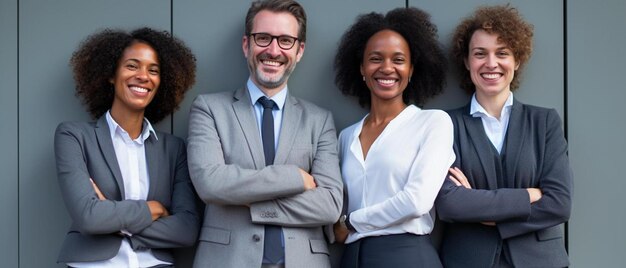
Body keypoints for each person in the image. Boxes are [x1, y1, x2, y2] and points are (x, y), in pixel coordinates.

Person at [186, 0, 343, 267]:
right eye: (263, 38)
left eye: (285, 41)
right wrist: (294, 177)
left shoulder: (320, 120)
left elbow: (328, 204)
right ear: (246, 44)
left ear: (299, 50)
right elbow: (210, 182)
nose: (273, 50)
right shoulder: (209, 109)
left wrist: (254, 205)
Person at [436, 5, 573, 268]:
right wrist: (528, 196)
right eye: (480, 54)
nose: (491, 63)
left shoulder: (544, 122)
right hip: (468, 260)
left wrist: (485, 212)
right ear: (466, 61)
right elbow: (450, 203)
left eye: (502, 53)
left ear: (517, 60)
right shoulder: (445, 124)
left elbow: (560, 203)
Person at [54, 27, 200, 267]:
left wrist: (114, 221)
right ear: (111, 74)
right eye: (132, 66)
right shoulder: (74, 136)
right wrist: (152, 209)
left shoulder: (174, 149)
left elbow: (186, 230)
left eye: (153, 70)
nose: (143, 76)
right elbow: (89, 218)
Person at [332, 7, 454, 267]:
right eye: (376, 58)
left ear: (411, 70)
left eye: (398, 60)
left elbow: (416, 200)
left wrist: (351, 222)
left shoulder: (432, 122)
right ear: (362, 69)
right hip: (351, 259)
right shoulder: (346, 137)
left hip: (405, 255)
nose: (387, 68)